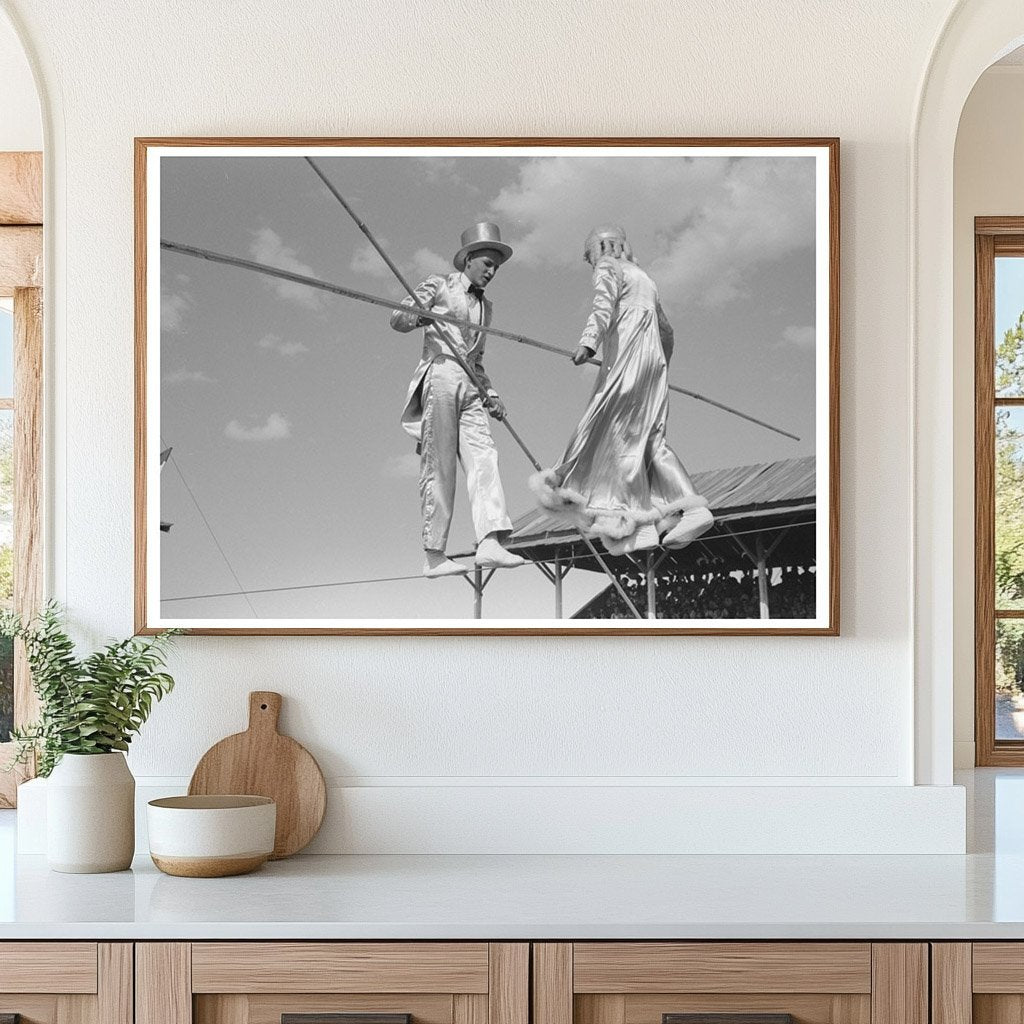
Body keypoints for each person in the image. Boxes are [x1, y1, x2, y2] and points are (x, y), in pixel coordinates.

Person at [531, 225, 714, 556]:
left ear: (599, 248)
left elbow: (602, 305)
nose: (592, 264)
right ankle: (691, 510)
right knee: (651, 442)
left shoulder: (608, 267)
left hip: (627, 362)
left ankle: (639, 523)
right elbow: (667, 332)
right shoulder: (645, 277)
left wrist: (588, 343)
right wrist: (658, 369)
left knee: (617, 438)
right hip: (654, 367)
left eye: (590, 257)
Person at [390, 222, 525, 578]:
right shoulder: (439, 284)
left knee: (485, 457)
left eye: (496, 266)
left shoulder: (486, 308)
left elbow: (477, 360)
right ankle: (434, 554)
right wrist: (421, 313)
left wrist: (491, 394)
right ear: (468, 259)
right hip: (441, 373)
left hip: (469, 385)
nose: (492, 272)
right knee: (441, 465)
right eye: (487, 263)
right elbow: (398, 318)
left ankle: (491, 541)